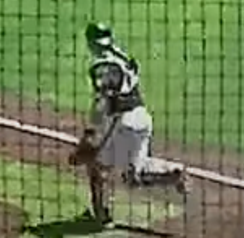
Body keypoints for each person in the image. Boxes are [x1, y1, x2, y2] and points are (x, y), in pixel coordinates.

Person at [69, 23, 187, 228]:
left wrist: (89, 137)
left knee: (95, 164)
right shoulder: (121, 56)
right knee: (134, 176)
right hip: (142, 118)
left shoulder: (101, 67)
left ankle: (100, 215)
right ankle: (172, 173)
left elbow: (102, 104)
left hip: (122, 122)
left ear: (89, 42)